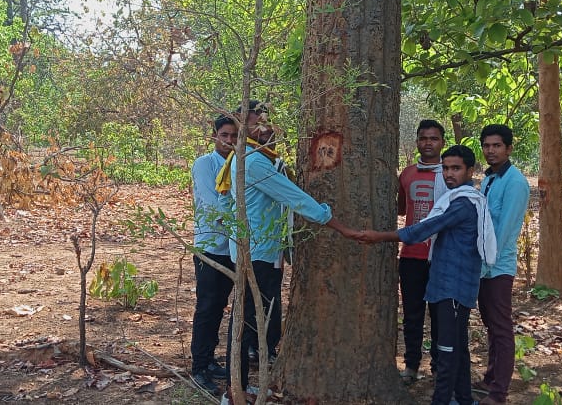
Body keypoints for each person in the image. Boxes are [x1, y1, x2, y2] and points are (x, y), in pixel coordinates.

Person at [215, 101, 357, 398]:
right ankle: (234, 391)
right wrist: (339, 225)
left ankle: (239, 386)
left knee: (253, 319)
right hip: (256, 253)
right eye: (259, 122)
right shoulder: (253, 162)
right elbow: (293, 197)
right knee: (245, 322)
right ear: (243, 125)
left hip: (260, 250)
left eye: (269, 121)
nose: (267, 128)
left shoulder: (257, 158)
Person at [357, 145, 495, 405]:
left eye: (456, 168)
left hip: (454, 286)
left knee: (447, 351)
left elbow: (425, 229)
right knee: (458, 348)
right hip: (445, 283)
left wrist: (379, 237)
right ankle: (465, 399)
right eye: (445, 168)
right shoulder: (455, 199)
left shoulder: (463, 204)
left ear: (470, 171)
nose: (449, 174)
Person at [476, 124, 530, 405]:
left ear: (509, 149)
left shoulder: (516, 183)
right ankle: (490, 377)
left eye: (496, 146)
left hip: (498, 267)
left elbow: (504, 230)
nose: (491, 151)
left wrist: (485, 265)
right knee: (490, 324)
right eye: (486, 146)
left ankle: (499, 393)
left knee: (501, 327)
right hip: (483, 265)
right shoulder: (488, 181)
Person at [189, 114, 239, 393]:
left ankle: (211, 360)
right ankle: (199, 366)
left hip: (234, 247)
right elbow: (211, 205)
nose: (229, 141)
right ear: (214, 136)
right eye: (225, 136)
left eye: (234, 136)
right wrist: (244, 224)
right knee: (207, 306)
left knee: (222, 306)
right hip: (211, 247)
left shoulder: (239, 164)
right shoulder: (205, 164)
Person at [395, 119, 447, 383]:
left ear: (442, 143)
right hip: (411, 255)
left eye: (434, 138)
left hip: (440, 256)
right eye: (423, 138)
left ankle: (439, 367)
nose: (428, 143)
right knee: (413, 314)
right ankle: (411, 366)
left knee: (439, 315)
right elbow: (402, 209)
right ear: (417, 141)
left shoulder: (449, 175)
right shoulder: (407, 174)